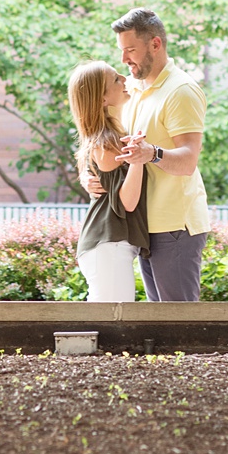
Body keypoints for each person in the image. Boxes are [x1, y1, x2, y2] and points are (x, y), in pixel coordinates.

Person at [86, 8, 210, 301]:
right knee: (159, 324)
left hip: (174, 227)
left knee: (177, 324)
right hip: (143, 226)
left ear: (155, 44)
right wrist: (88, 175)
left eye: (130, 50)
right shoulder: (134, 89)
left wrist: (151, 153)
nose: (124, 59)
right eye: (121, 50)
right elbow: (108, 141)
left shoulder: (180, 91)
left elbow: (188, 161)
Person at [68, 61, 149, 302]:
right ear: (102, 100)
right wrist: (138, 158)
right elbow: (127, 203)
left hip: (107, 245)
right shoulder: (106, 142)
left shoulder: (108, 134)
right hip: (108, 245)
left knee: (107, 324)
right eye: (115, 79)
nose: (124, 79)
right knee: (112, 325)